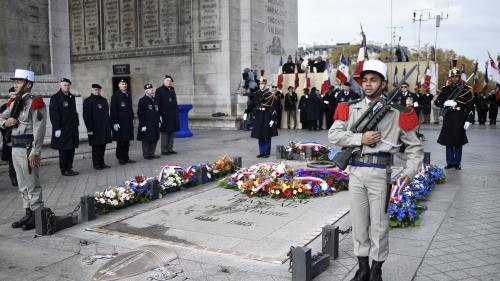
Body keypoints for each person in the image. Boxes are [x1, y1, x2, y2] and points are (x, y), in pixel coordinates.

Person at [328, 60, 423, 281]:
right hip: (357, 172)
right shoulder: (349, 107)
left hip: (381, 173)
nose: (368, 84)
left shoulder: (399, 112)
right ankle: (362, 269)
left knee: (379, 226)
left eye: (374, 80)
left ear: (383, 83)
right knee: (359, 224)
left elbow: (415, 147)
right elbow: (334, 135)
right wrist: (361, 138)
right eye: (365, 80)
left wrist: (408, 173)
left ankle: (376, 270)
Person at [1, 69, 47, 230]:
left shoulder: (36, 102)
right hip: (15, 147)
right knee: (22, 184)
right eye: (15, 82)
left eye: (19, 82)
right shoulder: (14, 102)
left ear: (28, 84)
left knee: (32, 184)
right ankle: (28, 213)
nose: (15, 84)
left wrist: (36, 151)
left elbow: (39, 130)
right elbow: (1, 116)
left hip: (28, 150)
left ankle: (37, 216)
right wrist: (5, 123)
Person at [434, 67, 474, 170]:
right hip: (449, 116)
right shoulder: (445, 89)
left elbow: (470, 106)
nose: (455, 78)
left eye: (457, 76)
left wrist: (469, 120)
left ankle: (457, 163)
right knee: (448, 140)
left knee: (458, 140)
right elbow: (437, 102)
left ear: (459, 77)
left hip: (460, 116)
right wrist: (445, 103)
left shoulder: (466, 89)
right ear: (450, 78)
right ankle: (450, 162)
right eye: (453, 77)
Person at [49, 78, 79, 176]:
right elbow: (54, 114)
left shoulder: (71, 97)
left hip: (72, 128)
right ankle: (64, 169)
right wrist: (57, 128)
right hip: (62, 128)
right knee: (63, 150)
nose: (66, 87)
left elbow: (74, 112)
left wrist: (76, 124)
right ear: (60, 85)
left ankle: (69, 167)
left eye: (68, 85)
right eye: (64, 85)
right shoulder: (55, 98)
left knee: (71, 149)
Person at [243, 79, 279, 158]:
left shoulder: (270, 95)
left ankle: (267, 153)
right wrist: (246, 112)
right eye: (260, 84)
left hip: (267, 115)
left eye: (262, 84)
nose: (261, 85)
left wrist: (273, 119)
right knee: (260, 135)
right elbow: (251, 105)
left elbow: (274, 107)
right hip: (258, 115)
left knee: (267, 135)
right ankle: (262, 152)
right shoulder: (256, 94)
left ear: (265, 85)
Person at [83, 84, 112, 170]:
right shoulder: (88, 101)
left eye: (98, 90)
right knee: (96, 147)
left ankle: (102, 163)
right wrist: (89, 129)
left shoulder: (103, 100)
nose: (97, 91)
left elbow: (107, 115)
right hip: (94, 129)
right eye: (95, 90)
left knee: (103, 146)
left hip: (104, 128)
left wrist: (108, 127)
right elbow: (86, 116)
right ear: (92, 90)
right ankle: (96, 164)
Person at [111, 79, 135, 165]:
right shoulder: (116, 95)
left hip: (127, 122)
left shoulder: (128, 94)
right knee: (120, 141)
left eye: (125, 84)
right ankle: (120, 158)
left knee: (127, 141)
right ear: (119, 85)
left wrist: (132, 117)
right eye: (122, 84)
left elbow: (130, 107)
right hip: (120, 123)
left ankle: (126, 157)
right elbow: (113, 110)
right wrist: (114, 122)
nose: (124, 85)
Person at [156, 75, 180, 155]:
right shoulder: (159, 90)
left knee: (172, 132)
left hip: (173, 116)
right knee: (165, 133)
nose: (168, 82)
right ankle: (164, 150)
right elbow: (157, 104)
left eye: (170, 81)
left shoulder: (172, 90)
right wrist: (158, 115)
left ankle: (170, 148)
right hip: (164, 116)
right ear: (164, 81)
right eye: (167, 80)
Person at [137, 84, 161, 159]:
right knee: (147, 139)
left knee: (155, 138)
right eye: (151, 90)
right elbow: (140, 114)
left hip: (155, 123)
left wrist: (159, 121)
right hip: (147, 124)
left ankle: (152, 153)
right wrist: (143, 125)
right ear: (147, 92)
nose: (153, 91)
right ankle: (146, 154)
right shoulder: (142, 101)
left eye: (153, 90)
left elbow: (157, 111)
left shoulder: (154, 100)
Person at [1, 87, 18, 186]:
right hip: (8, 136)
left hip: (19, 135)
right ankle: (13, 178)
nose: (14, 96)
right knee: (12, 159)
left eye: (15, 94)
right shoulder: (4, 107)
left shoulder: (20, 105)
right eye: (12, 94)